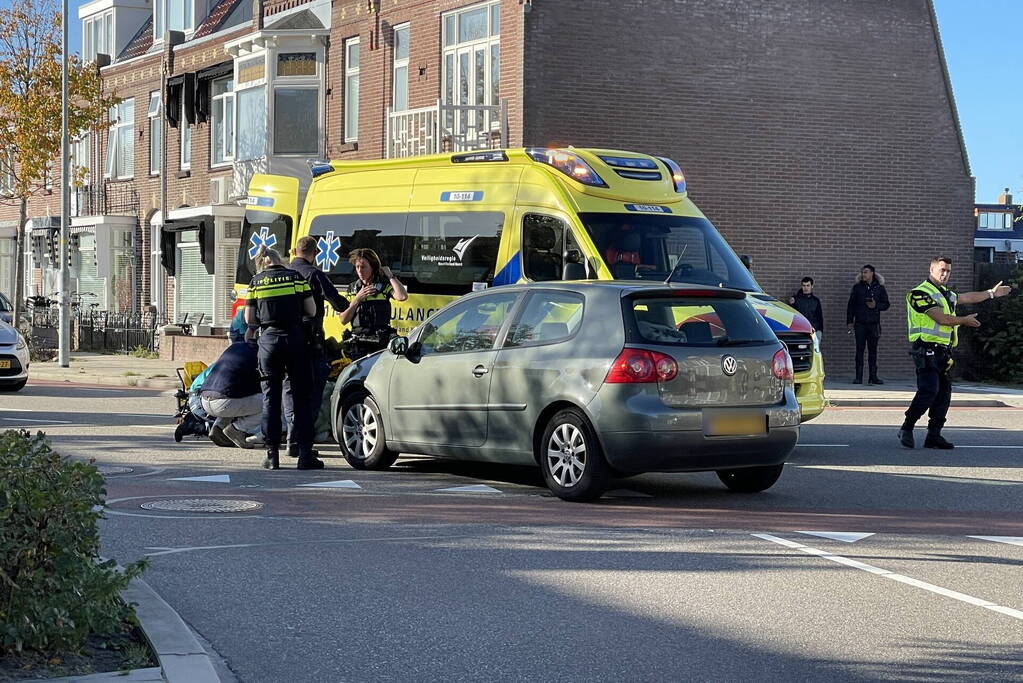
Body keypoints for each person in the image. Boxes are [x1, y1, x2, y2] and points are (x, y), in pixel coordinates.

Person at [898, 257, 1010, 450]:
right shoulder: (918, 293)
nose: (945, 273)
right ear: (931, 270)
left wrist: (992, 293)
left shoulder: (946, 294)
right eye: (941, 270)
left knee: (943, 395)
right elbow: (940, 318)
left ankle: (933, 436)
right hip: (925, 349)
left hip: (943, 352)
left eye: (948, 271)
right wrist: (964, 320)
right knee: (929, 391)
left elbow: (967, 297)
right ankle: (907, 427)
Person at [245, 246, 322, 470]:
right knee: (301, 399)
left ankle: (272, 456)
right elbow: (311, 309)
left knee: (271, 400)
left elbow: (250, 318)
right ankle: (305, 455)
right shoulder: (296, 277)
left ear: (261, 263)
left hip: (269, 343)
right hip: (296, 340)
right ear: (280, 260)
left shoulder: (256, 282)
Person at [283, 235, 350, 460]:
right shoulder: (314, 274)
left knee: (291, 393)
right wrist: (355, 303)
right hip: (311, 343)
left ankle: (292, 441)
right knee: (311, 395)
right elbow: (338, 303)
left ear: (294, 251)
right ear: (315, 254)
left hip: (286, 343)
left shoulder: (283, 275)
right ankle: (304, 445)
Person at [338, 248, 408, 360]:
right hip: (359, 343)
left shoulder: (383, 286)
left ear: (373, 267)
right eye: (357, 267)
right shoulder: (353, 288)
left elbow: (402, 296)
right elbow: (343, 319)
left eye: (363, 267)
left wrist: (390, 276)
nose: (360, 271)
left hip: (380, 343)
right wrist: (357, 299)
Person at [198, 340, 263, 449]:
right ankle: (237, 429)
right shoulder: (259, 354)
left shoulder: (235, 347)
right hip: (224, 403)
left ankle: (218, 427)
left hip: (205, 400)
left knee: (237, 397)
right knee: (271, 404)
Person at [846, 264, 890, 384]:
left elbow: (886, 304)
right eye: (862, 272)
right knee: (859, 350)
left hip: (873, 324)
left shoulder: (879, 288)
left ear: (872, 273)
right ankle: (858, 377)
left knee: (873, 351)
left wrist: (876, 305)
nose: (863, 274)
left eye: (866, 272)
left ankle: (873, 377)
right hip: (860, 323)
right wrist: (850, 322)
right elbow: (851, 306)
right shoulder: (857, 288)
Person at [788, 277, 824, 342]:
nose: (806, 288)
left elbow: (819, 317)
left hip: (813, 330)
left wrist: (820, 331)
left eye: (808, 285)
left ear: (812, 286)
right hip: (800, 330)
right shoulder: (795, 299)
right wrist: (792, 304)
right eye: (804, 285)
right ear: (801, 286)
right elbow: (792, 315)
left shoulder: (816, 301)